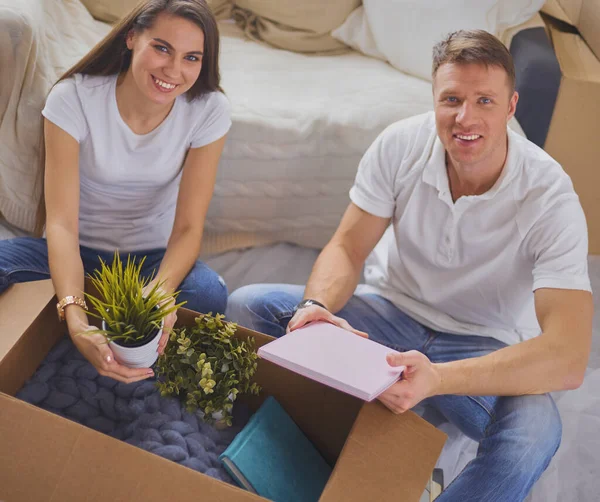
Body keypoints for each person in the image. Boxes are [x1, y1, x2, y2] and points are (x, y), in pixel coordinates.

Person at [226, 30, 593, 501]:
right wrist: (316, 305)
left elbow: (567, 357)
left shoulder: (551, 197)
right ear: (434, 99)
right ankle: (309, 445)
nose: (466, 117)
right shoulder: (399, 144)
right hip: (387, 313)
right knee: (251, 305)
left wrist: (439, 379)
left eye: (485, 100)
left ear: (511, 106)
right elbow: (348, 247)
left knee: (535, 434)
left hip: (480, 344)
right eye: (452, 99)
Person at [0, 0, 230, 384]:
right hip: (79, 253)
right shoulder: (73, 98)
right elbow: (60, 225)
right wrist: (73, 315)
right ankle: (87, 331)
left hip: (150, 263)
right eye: (162, 48)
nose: (173, 71)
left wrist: (159, 294)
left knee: (208, 295)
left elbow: (190, 227)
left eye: (192, 57)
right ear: (131, 37)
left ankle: (120, 342)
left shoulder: (209, 109)